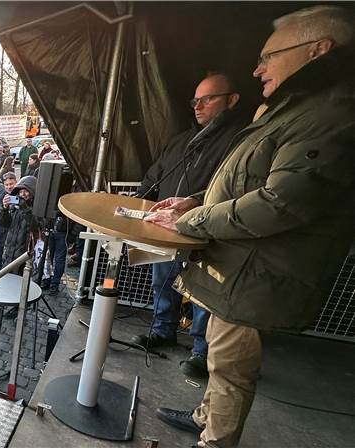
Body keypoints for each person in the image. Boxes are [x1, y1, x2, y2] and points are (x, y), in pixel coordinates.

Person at [147, 7, 355, 448]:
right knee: (223, 360)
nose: (257, 68)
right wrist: (196, 200)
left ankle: (215, 439)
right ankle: (207, 416)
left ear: (317, 50)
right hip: (241, 265)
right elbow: (244, 183)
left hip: (256, 274)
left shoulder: (329, 117)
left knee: (230, 366)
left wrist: (192, 219)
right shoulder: (294, 110)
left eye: (268, 56)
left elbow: (279, 203)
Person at [130, 72, 248, 378]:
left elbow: (234, 189)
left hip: (206, 231)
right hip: (165, 228)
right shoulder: (183, 140)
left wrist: (194, 204)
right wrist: (136, 199)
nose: (198, 106)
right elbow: (155, 174)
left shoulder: (240, 141)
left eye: (207, 99)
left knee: (202, 292)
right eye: (195, 100)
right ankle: (162, 331)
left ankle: (201, 351)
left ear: (232, 100)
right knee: (162, 282)